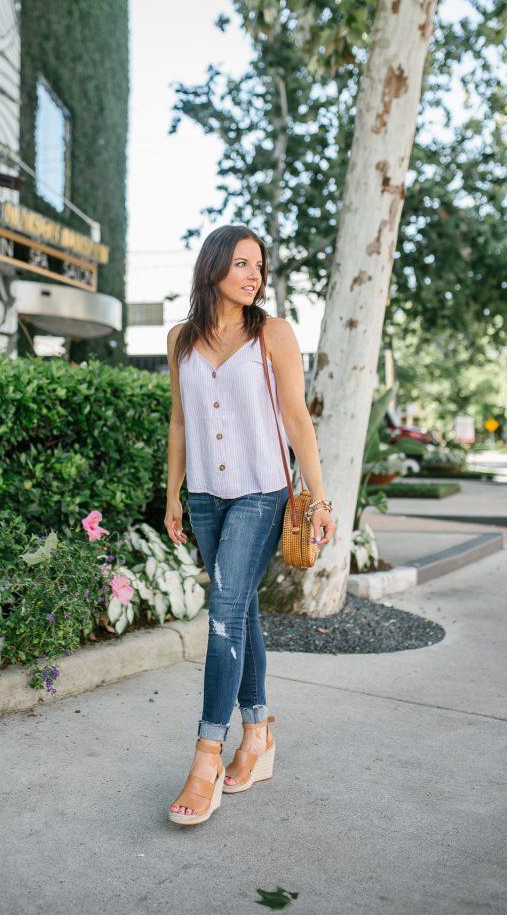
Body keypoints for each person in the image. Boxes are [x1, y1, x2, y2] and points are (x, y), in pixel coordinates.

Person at [165, 224, 337, 826]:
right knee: (243, 614)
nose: (254, 275)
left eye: (258, 266)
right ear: (213, 266)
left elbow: (298, 419)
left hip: (262, 493)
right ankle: (258, 736)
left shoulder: (274, 334)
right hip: (207, 497)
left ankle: (206, 757)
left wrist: (319, 498)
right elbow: (181, 424)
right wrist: (173, 497)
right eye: (242, 263)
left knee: (223, 612)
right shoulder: (180, 339)